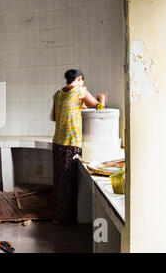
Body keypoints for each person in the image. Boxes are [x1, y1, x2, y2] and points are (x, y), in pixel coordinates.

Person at [50, 69, 106, 225]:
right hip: (71, 142)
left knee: (59, 180)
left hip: (58, 142)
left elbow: (54, 117)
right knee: (68, 183)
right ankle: (63, 219)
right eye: (83, 80)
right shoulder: (80, 91)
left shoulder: (58, 94)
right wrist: (102, 98)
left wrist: (76, 109)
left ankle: (57, 215)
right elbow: (99, 108)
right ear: (79, 79)